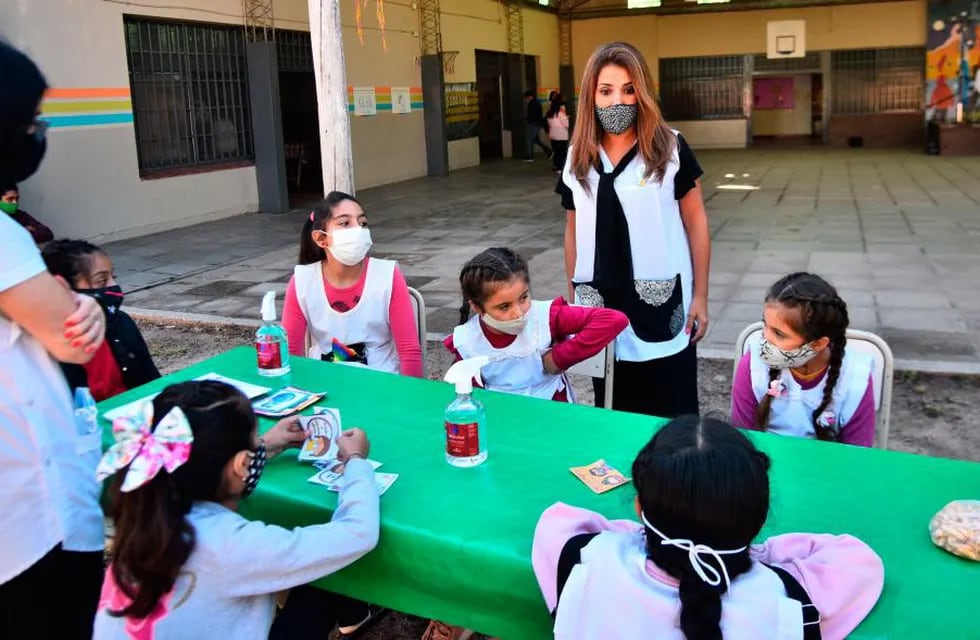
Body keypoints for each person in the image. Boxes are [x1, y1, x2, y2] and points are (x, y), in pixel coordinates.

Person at [532, 415, 884, 639]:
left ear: (640, 508)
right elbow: (857, 560)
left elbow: (559, 520)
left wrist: (644, 533)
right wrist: (761, 554)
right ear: (757, 522)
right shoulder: (791, 600)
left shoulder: (583, 562)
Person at [93, 380, 380, 638]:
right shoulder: (229, 545)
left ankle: (352, 614)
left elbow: (200, 457)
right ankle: (352, 610)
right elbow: (359, 533)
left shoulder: (147, 509)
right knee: (323, 576)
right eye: (254, 442)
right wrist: (356, 460)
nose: (258, 447)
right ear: (241, 463)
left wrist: (264, 446)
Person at [0, 42, 108, 639]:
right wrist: (81, 307)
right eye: (27, 121)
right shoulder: (4, 240)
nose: (37, 133)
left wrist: (79, 305)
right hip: (24, 522)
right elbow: (72, 337)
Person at [557, 41, 710, 418]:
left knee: (673, 418)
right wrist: (575, 297)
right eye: (606, 91)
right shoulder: (578, 156)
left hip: (661, 303)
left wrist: (701, 296)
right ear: (591, 96)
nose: (617, 102)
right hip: (600, 302)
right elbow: (573, 231)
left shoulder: (670, 149)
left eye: (628, 90)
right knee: (613, 409)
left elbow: (697, 223)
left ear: (642, 93)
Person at [444, 247, 628, 402]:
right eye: (504, 307)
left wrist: (559, 358)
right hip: (502, 416)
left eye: (523, 298)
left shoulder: (547, 316)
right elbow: (466, 395)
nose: (519, 312)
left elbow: (614, 319)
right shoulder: (466, 341)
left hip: (554, 409)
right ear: (477, 307)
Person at [282, 191, 423, 377]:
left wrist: (408, 400)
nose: (358, 229)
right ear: (320, 238)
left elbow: (409, 351)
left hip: (381, 382)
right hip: (325, 381)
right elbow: (290, 354)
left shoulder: (387, 276)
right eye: (344, 223)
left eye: (362, 223)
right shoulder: (303, 281)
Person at [730, 272, 876, 447]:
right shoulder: (753, 367)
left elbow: (857, 456)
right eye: (765, 325)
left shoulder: (855, 378)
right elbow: (742, 445)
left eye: (779, 334)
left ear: (817, 345)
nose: (765, 338)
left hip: (830, 470)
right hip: (764, 467)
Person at [43, 239, 161, 401]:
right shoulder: (47, 346)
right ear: (64, 288)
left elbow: (151, 382)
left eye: (113, 277)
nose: (114, 286)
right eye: (102, 281)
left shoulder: (121, 322)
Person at [524, 89, 552, 162]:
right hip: (538, 123)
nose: (526, 100)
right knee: (536, 140)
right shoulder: (537, 102)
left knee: (529, 139)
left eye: (526, 98)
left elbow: (532, 115)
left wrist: (527, 118)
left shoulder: (531, 104)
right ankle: (549, 151)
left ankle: (529, 157)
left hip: (533, 123)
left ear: (529, 97)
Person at [546, 98, 570, 173]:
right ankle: (560, 167)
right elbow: (566, 124)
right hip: (561, 134)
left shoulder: (549, 113)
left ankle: (556, 166)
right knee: (562, 151)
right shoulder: (560, 113)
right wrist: (566, 117)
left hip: (553, 134)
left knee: (556, 151)